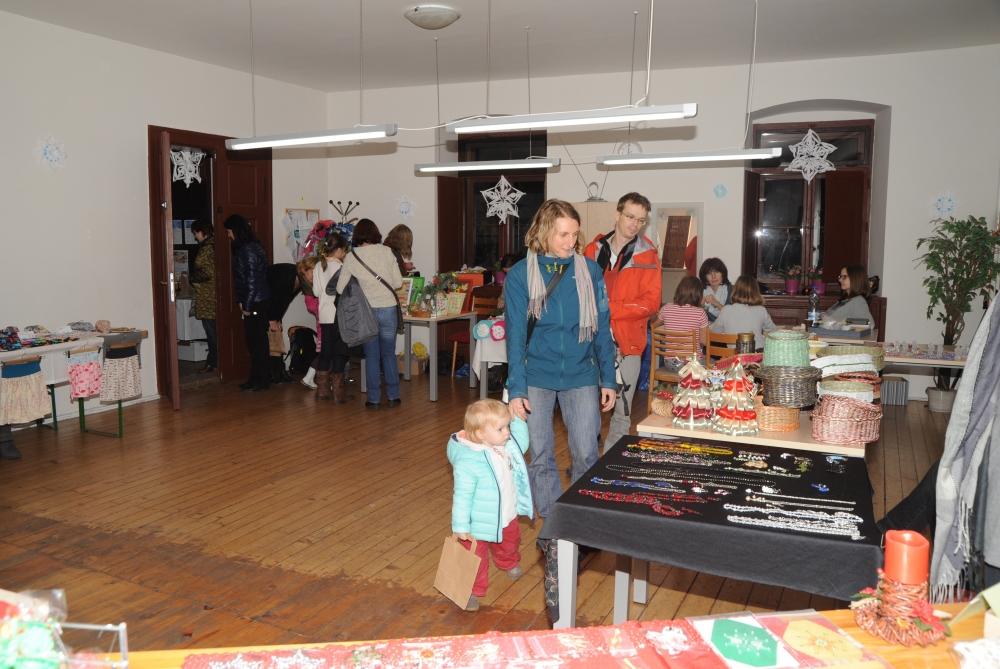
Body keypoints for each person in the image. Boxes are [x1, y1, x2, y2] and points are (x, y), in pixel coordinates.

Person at [504, 199, 617, 522]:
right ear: (544, 232)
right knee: (540, 456)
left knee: (586, 453)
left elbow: (602, 329)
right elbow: (515, 337)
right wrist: (517, 389)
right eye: (563, 235)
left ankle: (580, 522)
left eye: (575, 234)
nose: (571, 242)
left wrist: (608, 379)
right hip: (536, 376)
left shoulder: (591, 271)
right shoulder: (520, 275)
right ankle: (553, 526)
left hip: (581, 375)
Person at [584, 192, 661, 452]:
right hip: (589, 343)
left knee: (621, 413)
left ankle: (608, 465)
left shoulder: (648, 254)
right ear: (617, 214)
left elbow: (651, 303)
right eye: (630, 217)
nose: (635, 224)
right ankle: (587, 463)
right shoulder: (592, 250)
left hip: (628, 344)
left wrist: (608, 309)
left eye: (641, 220)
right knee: (586, 411)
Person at [448, 399, 533, 612]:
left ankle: (508, 561)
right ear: (480, 434)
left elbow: (521, 444)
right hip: (478, 524)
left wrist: (519, 421)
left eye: (507, 426)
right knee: (475, 558)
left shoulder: (504, 446)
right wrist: (460, 526)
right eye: (501, 428)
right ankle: (471, 590)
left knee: (510, 541)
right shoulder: (468, 462)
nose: (507, 432)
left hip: (506, 513)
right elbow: (462, 496)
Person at [337, 218, 403, 408]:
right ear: (375, 233)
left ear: (357, 235)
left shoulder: (352, 256)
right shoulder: (387, 251)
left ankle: (373, 399)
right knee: (389, 354)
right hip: (388, 308)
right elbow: (398, 283)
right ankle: (393, 396)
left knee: (372, 355)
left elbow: (340, 288)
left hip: (366, 312)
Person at [224, 214, 271, 391]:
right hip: (257, 300)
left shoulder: (248, 250)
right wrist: (241, 301)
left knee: (257, 343)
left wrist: (247, 306)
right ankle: (256, 379)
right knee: (255, 343)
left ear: (236, 230)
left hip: (256, 302)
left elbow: (252, 281)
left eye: (229, 231)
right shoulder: (253, 246)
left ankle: (261, 380)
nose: (228, 235)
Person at [311, 233, 352, 401]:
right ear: (340, 250)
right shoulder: (343, 267)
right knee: (340, 352)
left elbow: (315, 292)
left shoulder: (317, 266)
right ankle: (338, 392)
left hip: (325, 315)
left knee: (325, 352)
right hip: (340, 315)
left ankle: (322, 390)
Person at [710, 275, 776, 350]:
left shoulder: (726, 310)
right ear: (756, 292)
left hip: (734, 356)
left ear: (735, 291)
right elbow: (774, 331)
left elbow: (714, 332)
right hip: (757, 355)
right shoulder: (761, 310)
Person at [266, 262, 303, 384]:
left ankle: (278, 372)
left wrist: (278, 318)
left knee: (276, 340)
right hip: (264, 304)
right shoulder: (286, 275)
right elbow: (276, 297)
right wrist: (272, 319)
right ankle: (273, 373)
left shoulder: (300, 280)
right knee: (271, 341)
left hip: (272, 307)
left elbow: (285, 301)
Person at [189, 220, 217, 373]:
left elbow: (207, 272)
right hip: (211, 295)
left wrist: (192, 278)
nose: (195, 236)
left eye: (195, 233)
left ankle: (213, 363)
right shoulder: (214, 245)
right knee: (213, 331)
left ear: (202, 231)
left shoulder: (208, 248)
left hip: (208, 296)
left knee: (212, 333)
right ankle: (214, 362)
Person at [659, 275, 710, 355]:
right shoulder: (700, 313)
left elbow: (654, 325)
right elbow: (704, 341)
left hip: (670, 360)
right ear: (699, 294)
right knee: (712, 360)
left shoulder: (666, 308)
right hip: (692, 361)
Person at [699, 257, 732, 323]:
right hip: (706, 328)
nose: (713, 276)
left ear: (723, 273)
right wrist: (700, 307)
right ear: (705, 277)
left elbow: (734, 316)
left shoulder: (732, 290)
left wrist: (716, 303)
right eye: (709, 273)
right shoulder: (700, 290)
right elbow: (693, 316)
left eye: (716, 272)